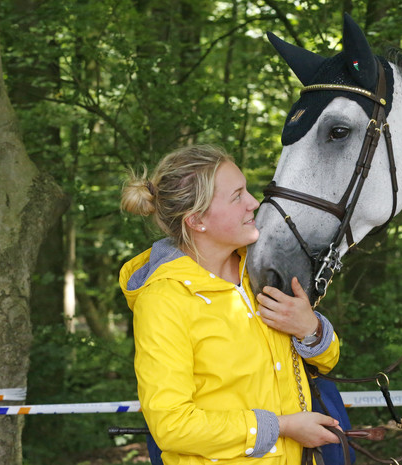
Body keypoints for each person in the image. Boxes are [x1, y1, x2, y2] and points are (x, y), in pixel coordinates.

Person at [119, 144, 341, 465]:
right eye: (237, 196)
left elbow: (328, 361)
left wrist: (312, 330)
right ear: (196, 221)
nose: (254, 203)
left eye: (247, 190)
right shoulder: (164, 300)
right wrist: (284, 426)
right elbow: (172, 426)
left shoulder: (261, 271)